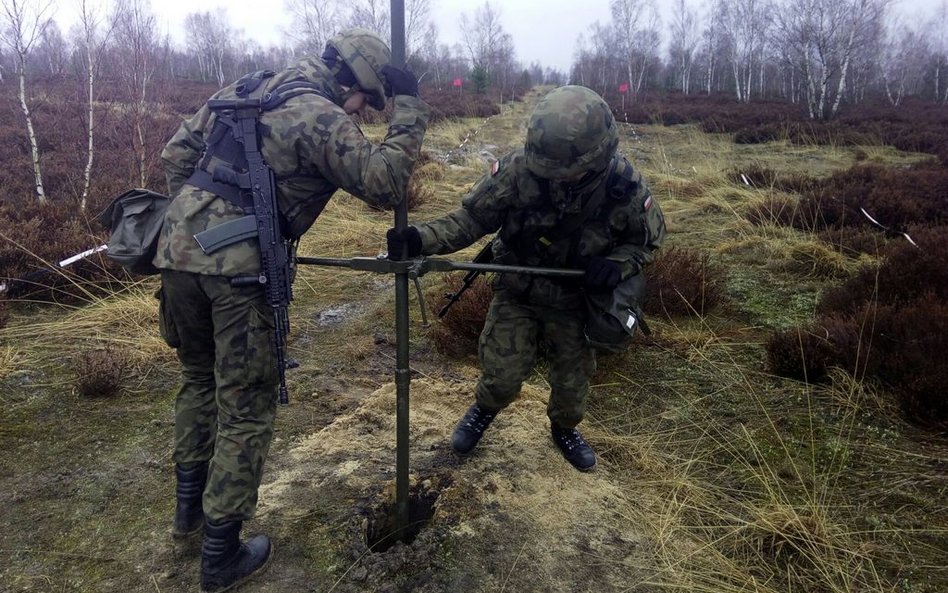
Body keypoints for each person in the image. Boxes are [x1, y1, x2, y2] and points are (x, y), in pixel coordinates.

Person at [155, 28, 430, 592]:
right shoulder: (317, 113)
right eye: (364, 100)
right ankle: (220, 554)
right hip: (237, 274)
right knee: (247, 406)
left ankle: (189, 514)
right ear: (353, 81)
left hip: (176, 255)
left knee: (197, 379)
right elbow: (384, 182)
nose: (359, 111)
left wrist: (198, 222)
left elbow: (176, 154)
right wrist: (410, 110)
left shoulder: (250, 86)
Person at [387, 85, 665, 472]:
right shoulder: (519, 170)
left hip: (576, 300)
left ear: (598, 156)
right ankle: (484, 411)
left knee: (572, 384)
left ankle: (564, 429)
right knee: (500, 376)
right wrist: (420, 239)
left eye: (567, 170)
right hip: (518, 289)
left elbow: (646, 242)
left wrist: (617, 266)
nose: (556, 177)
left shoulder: (625, 188)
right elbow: (472, 220)